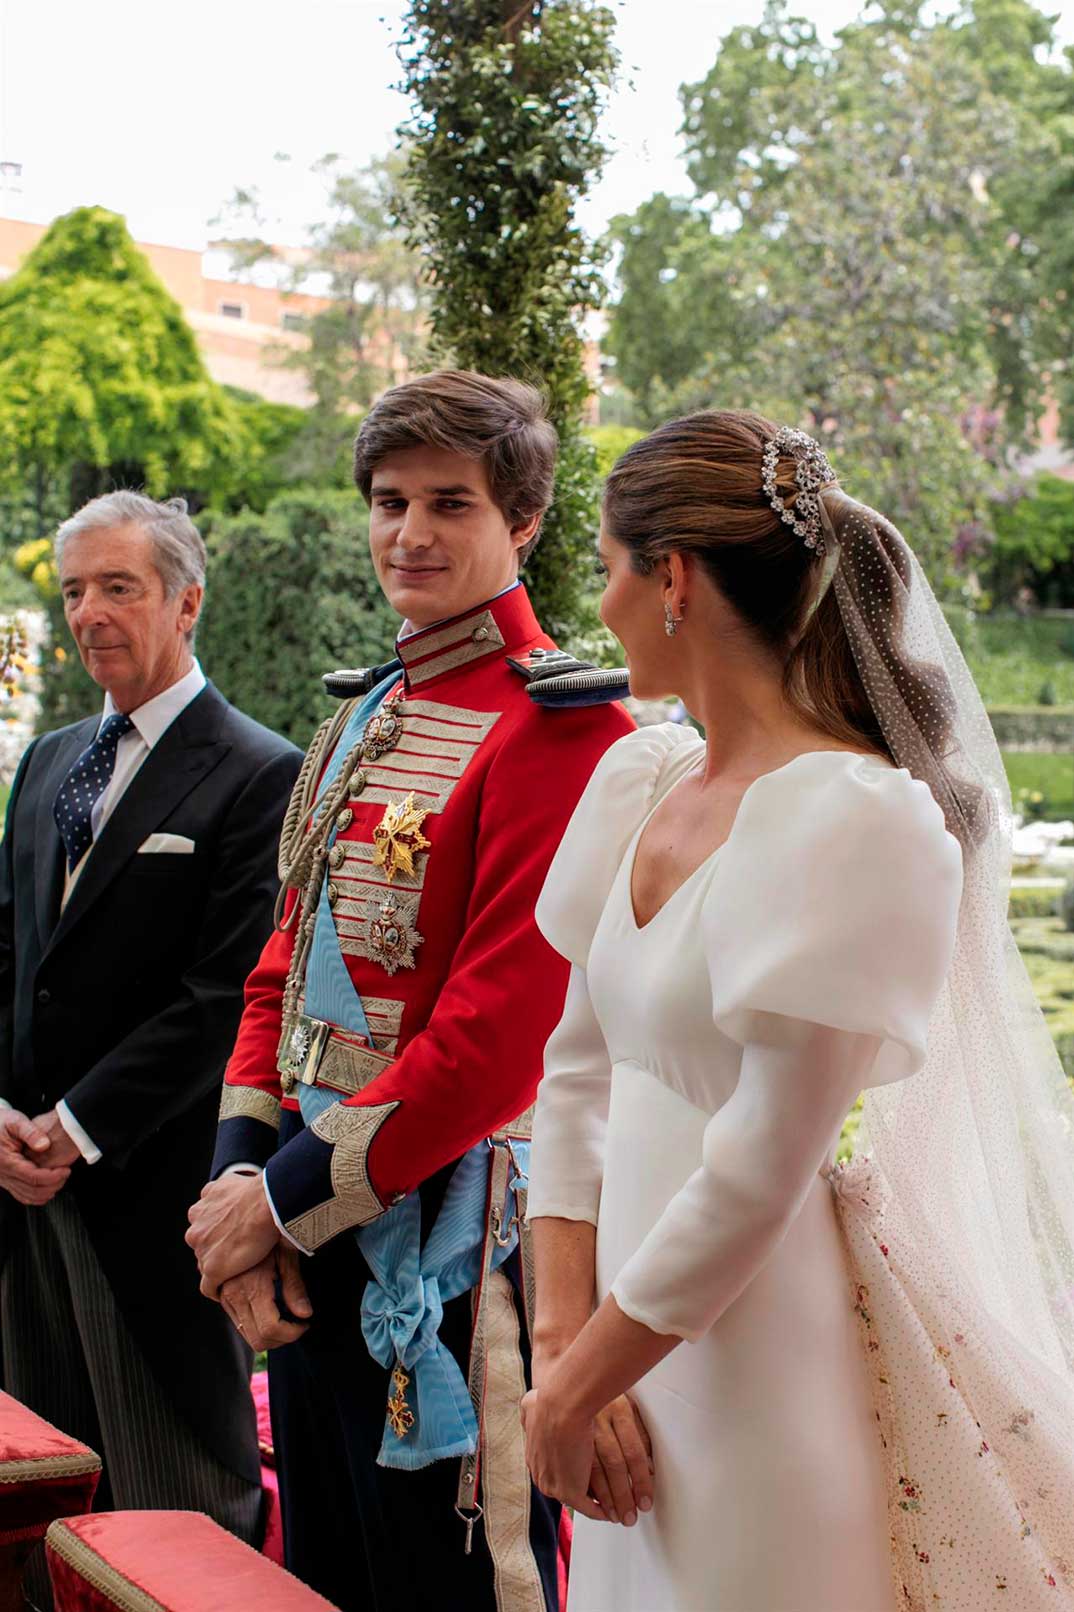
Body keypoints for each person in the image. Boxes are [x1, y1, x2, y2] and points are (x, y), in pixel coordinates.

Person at [522, 412, 1074, 1611]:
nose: (599, 608)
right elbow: (572, 1070)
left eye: (609, 570)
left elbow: (760, 1166)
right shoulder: (640, 778)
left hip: (753, 1353)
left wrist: (580, 1376)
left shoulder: (856, 820)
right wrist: (560, 1345)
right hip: (613, 1346)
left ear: (670, 580)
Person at [187, 371, 633, 1612]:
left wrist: (268, 1208)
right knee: (328, 1577)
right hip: (303, 1230)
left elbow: (494, 1041)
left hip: (449, 1259)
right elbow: (281, 963)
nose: (411, 534)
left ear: (526, 523)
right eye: (389, 501)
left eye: (451, 502)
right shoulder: (362, 715)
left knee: (455, 1584)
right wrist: (238, 1181)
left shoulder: (563, 734)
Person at [0, 492, 302, 1579]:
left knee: (176, 1513)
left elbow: (223, 994)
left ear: (188, 600)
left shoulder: (263, 770)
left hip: (153, 1198)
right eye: (74, 590)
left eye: (117, 587)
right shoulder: (44, 764)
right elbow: (8, 957)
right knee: (36, 1498)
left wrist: (75, 1129)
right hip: (20, 1196)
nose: (89, 613)